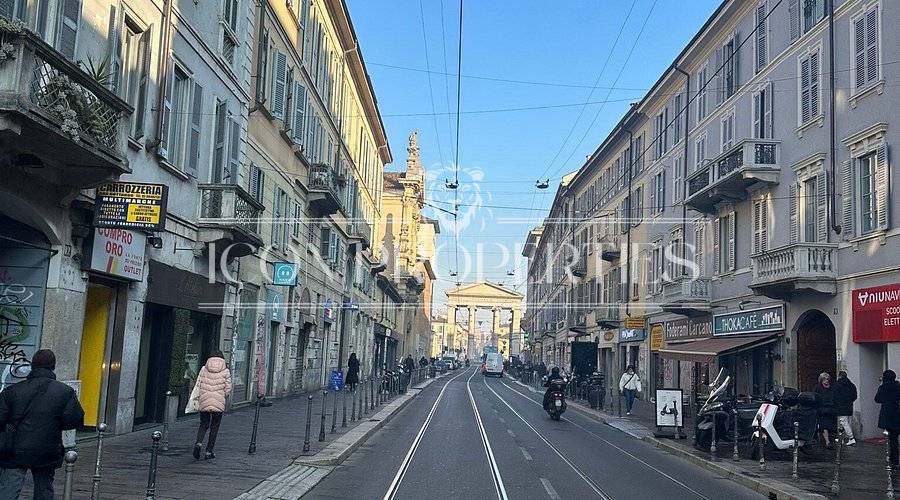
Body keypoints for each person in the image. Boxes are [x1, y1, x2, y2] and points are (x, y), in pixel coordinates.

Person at [0, 349, 84, 500]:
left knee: (9, 490)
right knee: (44, 490)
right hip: (47, 448)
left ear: (32, 366)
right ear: (53, 366)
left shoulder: (12, 390)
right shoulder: (64, 392)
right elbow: (74, 420)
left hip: (15, 449)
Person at [193, 350, 231, 460]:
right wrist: (223, 396)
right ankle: (209, 451)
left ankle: (198, 443)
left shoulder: (204, 369)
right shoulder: (225, 371)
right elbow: (228, 388)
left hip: (204, 401)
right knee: (215, 427)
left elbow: (198, 384)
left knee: (203, 424)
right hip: (218, 403)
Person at [876, 369, 900, 468]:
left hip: (889, 416)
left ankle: (894, 460)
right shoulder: (898, 387)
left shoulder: (883, 387)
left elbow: (877, 399)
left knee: (893, 440)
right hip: (898, 413)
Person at [833, 370, 858, 446]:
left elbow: (834, 396)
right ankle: (841, 438)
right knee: (843, 423)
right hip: (849, 406)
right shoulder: (851, 385)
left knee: (844, 422)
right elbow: (855, 396)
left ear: (839, 376)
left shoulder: (837, 385)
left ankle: (851, 438)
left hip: (840, 406)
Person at [815, 372, 837, 449]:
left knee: (831, 426)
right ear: (821, 380)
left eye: (827, 379)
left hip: (831, 410)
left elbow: (835, 397)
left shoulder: (832, 388)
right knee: (824, 426)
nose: (826, 381)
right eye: (824, 379)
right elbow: (815, 398)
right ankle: (827, 442)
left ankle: (831, 440)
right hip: (822, 410)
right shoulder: (818, 388)